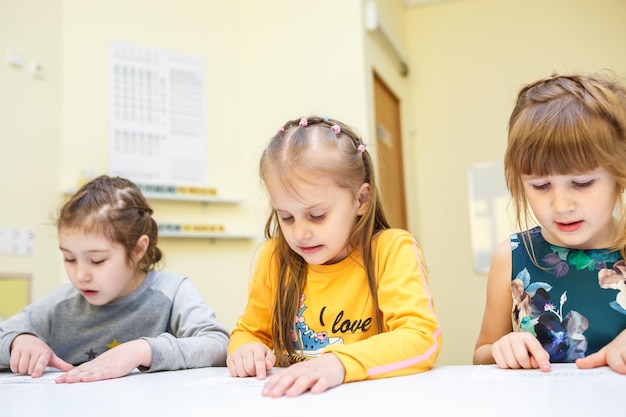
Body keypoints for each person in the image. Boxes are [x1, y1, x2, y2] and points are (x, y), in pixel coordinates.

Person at [226, 115, 442, 397]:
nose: (300, 233)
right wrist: (245, 349)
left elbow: (421, 338)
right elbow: (249, 332)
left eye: (317, 216)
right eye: (287, 217)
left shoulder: (391, 250)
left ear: (361, 200)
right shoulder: (274, 257)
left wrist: (338, 363)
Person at [0, 175, 229, 382]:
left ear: (138, 249)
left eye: (97, 261)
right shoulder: (61, 304)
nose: (80, 275)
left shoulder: (173, 291)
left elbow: (218, 344)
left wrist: (142, 350)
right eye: (69, 259)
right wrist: (17, 341)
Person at [473, 71, 626, 374]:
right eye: (541, 186)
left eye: (582, 183)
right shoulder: (511, 258)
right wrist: (503, 349)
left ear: (619, 176)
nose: (561, 205)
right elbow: (481, 354)